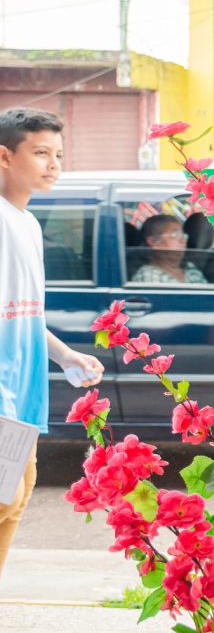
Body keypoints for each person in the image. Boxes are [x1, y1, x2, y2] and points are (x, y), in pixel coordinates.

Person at [0, 107, 104, 574]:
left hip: (24, 398)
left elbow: (22, 314)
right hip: (3, 398)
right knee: (6, 499)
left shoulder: (27, 224)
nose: (54, 164)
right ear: (5, 156)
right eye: (41, 153)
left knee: (14, 502)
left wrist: (64, 356)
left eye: (58, 154)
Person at [131, 214, 208, 284]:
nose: (182, 240)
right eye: (175, 235)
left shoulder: (191, 269)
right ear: (154, 242)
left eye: (183, 235)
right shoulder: (148, 276)